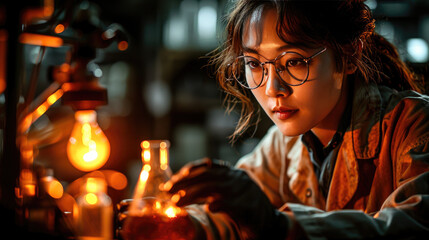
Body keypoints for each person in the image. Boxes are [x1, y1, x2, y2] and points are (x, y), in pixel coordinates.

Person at [166, 0, 429, 239]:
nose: (272, 89)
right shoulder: (282, 146)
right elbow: (225, 217)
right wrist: (173, 222)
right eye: (255, 64)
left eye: (293, 62)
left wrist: (279, 226)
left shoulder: (414, 126)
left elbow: (411, 225)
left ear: (349, 56)